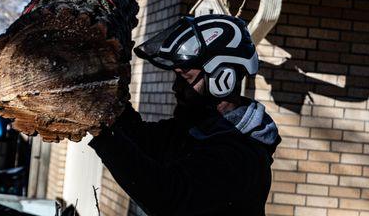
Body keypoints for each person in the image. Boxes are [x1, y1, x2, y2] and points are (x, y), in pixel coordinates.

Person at [89, 14, 281, 216]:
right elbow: (140, 138)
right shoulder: (195, 130)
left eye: (185, 77)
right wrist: (104, 97)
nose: (176, 87)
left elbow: (167, 197)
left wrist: (104, 134)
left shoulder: (241, 158)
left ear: (223, 78)